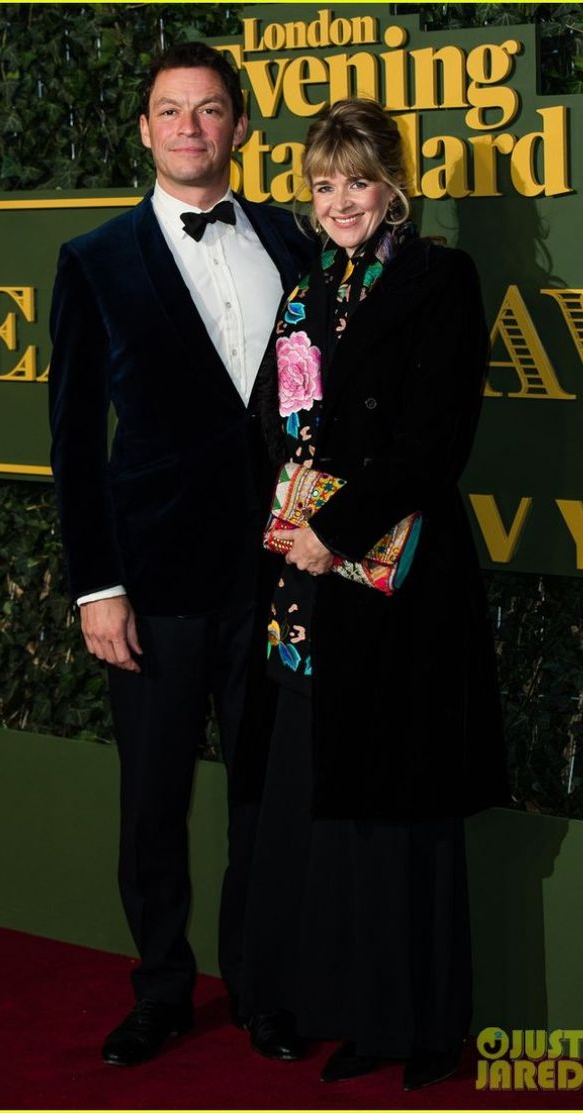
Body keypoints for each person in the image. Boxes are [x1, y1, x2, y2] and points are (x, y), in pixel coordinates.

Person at [48, 41, 312, 1067]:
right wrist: (97, 585)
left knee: (265, 797)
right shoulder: (95, 260)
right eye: (171, 110)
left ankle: (263, 987)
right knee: (154, 800)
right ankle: (161, 989)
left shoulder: (291, 237)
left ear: (240, 126)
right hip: (153, 583)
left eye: (209, 110)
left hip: (278, 574)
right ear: (146, 129)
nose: (190, 128)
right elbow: (74, 443)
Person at [239, 99, 508, 1090]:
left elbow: (437, 440)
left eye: (357, 181)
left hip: (405, 589)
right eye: (324, 184)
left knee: (408, 812)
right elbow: (277, 420)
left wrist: (335, 531)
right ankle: (363, 1014)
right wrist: (289, 523)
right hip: (312, 595)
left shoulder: (440, 278)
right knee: (339, 812)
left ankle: (428, 1027)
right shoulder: (308, 288)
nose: (340, 201)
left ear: (393, 186)